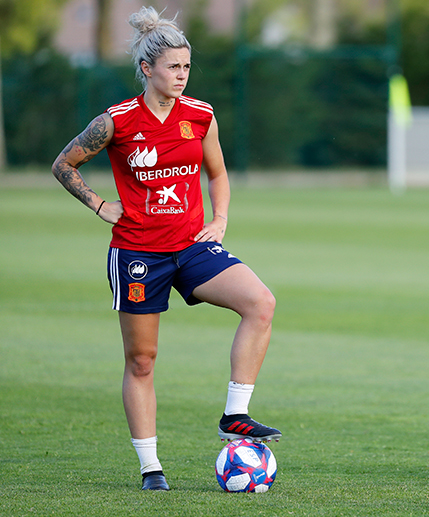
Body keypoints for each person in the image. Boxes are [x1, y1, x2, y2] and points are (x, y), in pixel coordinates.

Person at [52, 6, 281, 491]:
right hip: (138, 253)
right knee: (142, 360)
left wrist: (219, 219)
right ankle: (150, 467)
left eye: (187, 66)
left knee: (261, 302)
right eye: (173, 67)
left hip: (191, 246)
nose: (182, 75)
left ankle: (235, 415)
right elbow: (63, 164)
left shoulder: (200, 115)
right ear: (147, 68)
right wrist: (99, 205)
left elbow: (217, 173)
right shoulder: (115, 122)